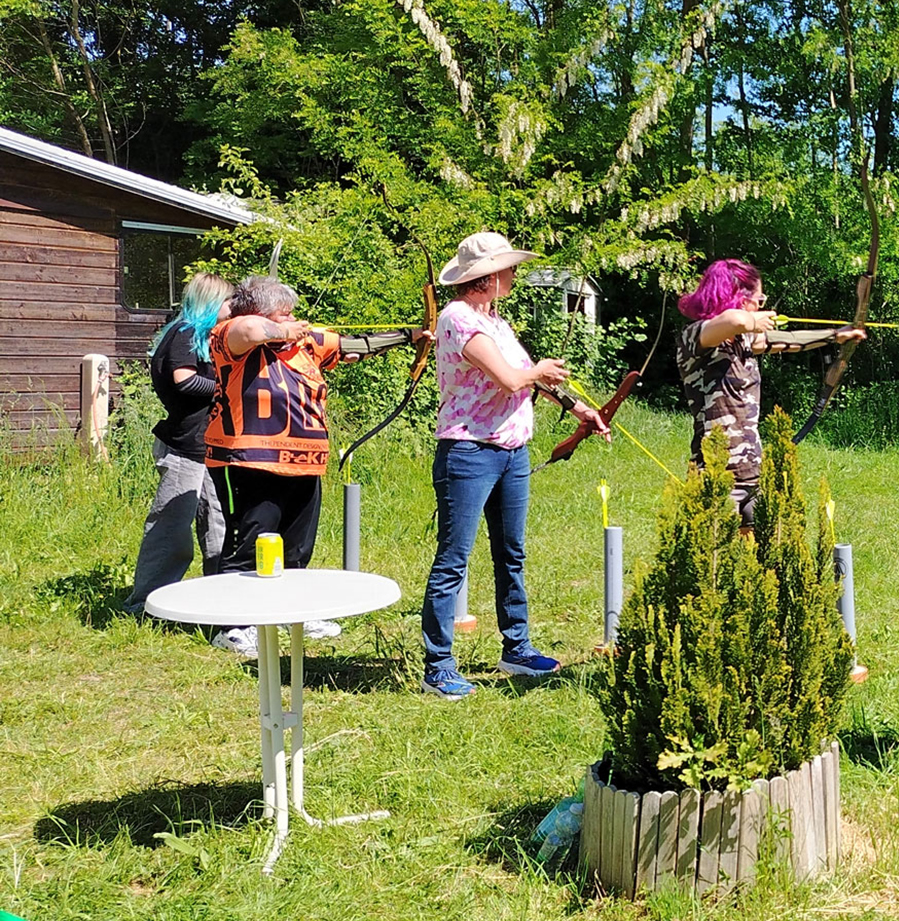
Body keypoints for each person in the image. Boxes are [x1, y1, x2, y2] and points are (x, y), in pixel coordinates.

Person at [420, 232, 609, 700]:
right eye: (508, 268)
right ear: (485, 278)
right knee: (453, 560)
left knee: (511, 553)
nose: (514, 275)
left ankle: (517, 649)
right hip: (469, 452)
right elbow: (509, 378)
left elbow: (529, 381)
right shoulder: (458, 318)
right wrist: (538, 370)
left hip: (511, 452)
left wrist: (579, 410)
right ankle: (438, 667)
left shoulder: (495, 320)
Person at [204, 275, 424, 657]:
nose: (294, 320)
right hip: (248, 461)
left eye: (292, 314)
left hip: (305, 462)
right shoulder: (229, 338)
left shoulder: (306, 344)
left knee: (296, 547)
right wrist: (283, 329)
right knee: (249, 543)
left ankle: (290, 612)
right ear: (262, 313)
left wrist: (413, 335)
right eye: (284, 314)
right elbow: (251, 329)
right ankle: (233, 625)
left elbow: (355, 345)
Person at [673, 258, 864, 525]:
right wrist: (753, 319)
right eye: (759, 300)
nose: (762, 306)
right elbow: (735, 320)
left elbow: (789, 340)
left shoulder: (743, 340)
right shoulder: (696, 336)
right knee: (717, 548)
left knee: (763, 545)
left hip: (752, 473)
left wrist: (836, 335)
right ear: (740, 299)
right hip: (714, 473)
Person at [122, 273, 235, 616]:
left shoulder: (199, 335)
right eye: (228, 301)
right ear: (211, 302)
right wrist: (226, 388)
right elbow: (184, 381)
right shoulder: (185, 332)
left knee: (218, 523)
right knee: (171, 527)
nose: (232, 307)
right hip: (185, 448)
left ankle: (224, 595)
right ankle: (147, 602)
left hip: (207, 446)